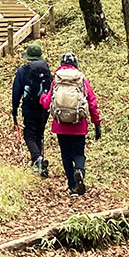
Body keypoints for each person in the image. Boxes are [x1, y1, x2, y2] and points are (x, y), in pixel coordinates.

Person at [40, 51, 101, 195]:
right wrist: (96, 122)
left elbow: (47, 102)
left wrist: (42, 97)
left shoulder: (57, 80)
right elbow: (92, 102)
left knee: (66, 155)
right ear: (76, 65)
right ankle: (79, 170)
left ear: (62, 65)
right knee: (79, 153)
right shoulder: (81, 80)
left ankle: (72, 187)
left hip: (61, 125)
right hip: (79, 124)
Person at [11, 43, 53, 178]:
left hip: (29, 108)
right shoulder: (46, 70)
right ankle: (39, 164)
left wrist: (14, 108)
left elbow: (16, 92)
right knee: (39, 134)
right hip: (44, 108)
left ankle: (37, 159)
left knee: (29, 135)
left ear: (28, 57)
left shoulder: (23, 71)